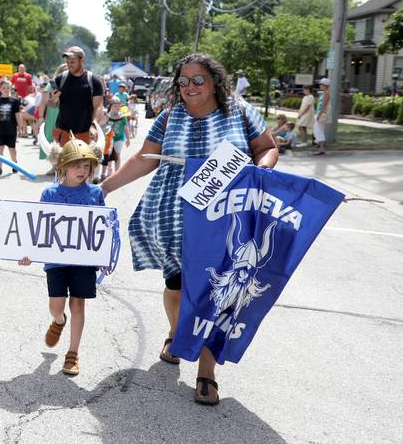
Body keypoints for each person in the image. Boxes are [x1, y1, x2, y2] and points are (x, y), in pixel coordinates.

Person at [101, 52, 278, 406]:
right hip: (174, 215)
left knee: (216, 293)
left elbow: (267, 148)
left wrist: (263, 170)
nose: (189, 87)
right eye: (182, 82)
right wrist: (103, 188)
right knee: (177, 286)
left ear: (215, 82)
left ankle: (206, 371)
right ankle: (177, 332)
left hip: (225, 220)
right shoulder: (170, 117)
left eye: (197, 80)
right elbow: (143, 159)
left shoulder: (239, 112)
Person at [18, 136, 105, 376]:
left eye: (86, 165)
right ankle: (58, 321)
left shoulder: (96, 193)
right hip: (56, 259)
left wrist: (103, 255)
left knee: (78, 304)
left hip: (83, 260)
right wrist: (28, 252)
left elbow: (102, 228)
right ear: (63, 166)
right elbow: (39, 226)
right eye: (77, 165)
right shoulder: (50, 193)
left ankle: (73, 353)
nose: (82, 170)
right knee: (57, 306)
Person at [53, 46, 105, 145]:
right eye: (67, 62)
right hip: (63, 132)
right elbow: (51, 105)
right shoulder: (60, 79)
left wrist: (94, 125)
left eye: (72, 62)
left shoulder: (94, 81)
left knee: (85, 160)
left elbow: (98, 106)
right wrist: (54, 100)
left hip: (85, 133)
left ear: (82, 60)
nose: (69, 65)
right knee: (63, 161)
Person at [0, 80, 20, 176]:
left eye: (8, 88)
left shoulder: (15, 101)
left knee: (12, 149)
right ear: (0, 89)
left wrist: (20, 127)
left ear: (10, 88)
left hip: (11, 129)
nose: (6, 90)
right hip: (1, 129)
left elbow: (17, 115)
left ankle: (14, 164)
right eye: (4, 88)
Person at [98, 98, 130, 182]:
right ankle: (107, 171)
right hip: (109, 138)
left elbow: (126, 128)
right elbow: (102, 125)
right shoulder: (107, 116)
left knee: (117, 154)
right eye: (115, 106)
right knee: (108, 155)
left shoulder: (122, 117)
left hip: (119, 138)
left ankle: (117, 173)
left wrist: (128, 139)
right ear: (111, 107)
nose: (117, 107)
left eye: (119, 106)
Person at [312, 78, 331, 156]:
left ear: (325, 85)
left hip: (321, 114)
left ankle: (321, 148)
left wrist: (319, 115)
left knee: (318, 131)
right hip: (320, 113)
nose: (320, 85)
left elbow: (324, 105)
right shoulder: (324, 93)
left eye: (321, 84)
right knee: (319, 130)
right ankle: (321, 147)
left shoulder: (326, 93)